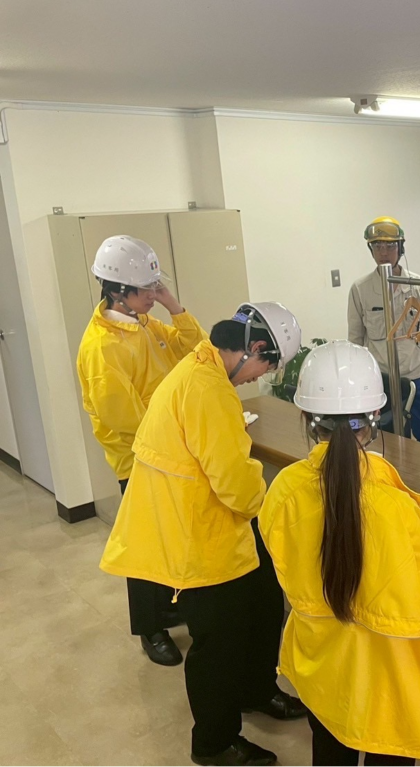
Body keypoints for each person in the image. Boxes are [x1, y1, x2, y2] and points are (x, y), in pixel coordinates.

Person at [100, 302, 308, 767]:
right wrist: (270, 497)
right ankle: (214, 743)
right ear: (255, 347)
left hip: (213, 521)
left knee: (263, 600)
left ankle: (257, 690)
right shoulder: (208, 388)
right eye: (267, 365)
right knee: (218, 642)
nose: (261, 376)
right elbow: (236, 486)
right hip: (199, 535)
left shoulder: (202, 365)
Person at [259, 340, 420, 767]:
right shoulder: (392, 506)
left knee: (330, 746)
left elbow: (281, 561)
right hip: (390, 674)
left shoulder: (284, 491)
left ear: (307, 418)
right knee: (391, 748)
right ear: (374, 419)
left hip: (320, 663)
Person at [77, 235, 206, 666]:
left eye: (154, 286)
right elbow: (123, 419)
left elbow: (197, 351)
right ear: (118, 291)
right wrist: (177, 439)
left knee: (171, 539)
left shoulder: (145, 323)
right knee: (145, 544)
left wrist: (173, 306)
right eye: (146, 289)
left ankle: (167, 608)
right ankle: (150, 629)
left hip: (172, 449)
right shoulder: (102, 346)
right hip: (139, 458)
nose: (153, 293)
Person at [348, 216, 420, 447]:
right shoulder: (361, 289)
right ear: (371, 250)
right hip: (382, 377)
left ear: (400, 248)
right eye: (377, 246)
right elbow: (355, 338)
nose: (383, 252)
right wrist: (358, 376)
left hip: (417, 373)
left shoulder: (418, 285)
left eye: (390, 246)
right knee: (388, 438)